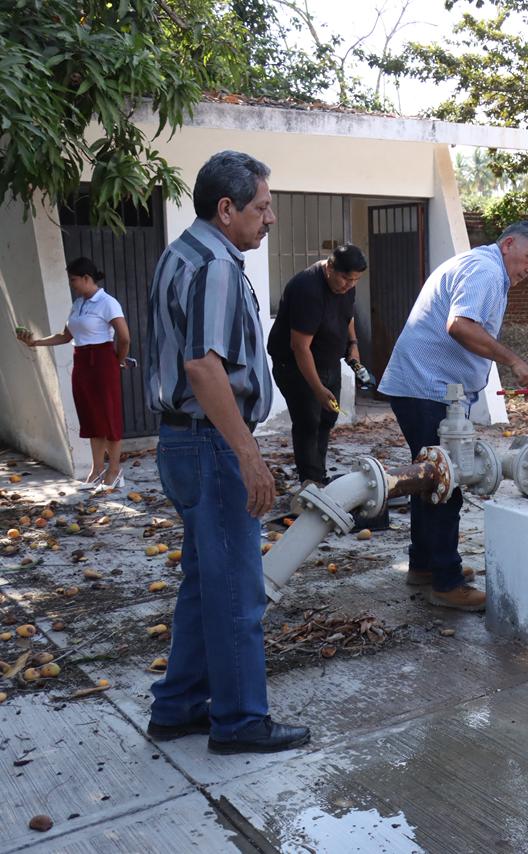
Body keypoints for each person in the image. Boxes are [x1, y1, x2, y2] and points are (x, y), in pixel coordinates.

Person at [143, 150, 309, 754]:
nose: (269, 219)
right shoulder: (215, 263)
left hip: (184, 444)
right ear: (226, 208)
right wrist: (248, 454)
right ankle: (239, 721)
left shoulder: (182, 252)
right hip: (211, 445)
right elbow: (203, 366)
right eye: (262, 208)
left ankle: (178, 706)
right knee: (238, 589)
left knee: (204, 583)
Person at [378, 220, 528, 612]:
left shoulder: (484, 267)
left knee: (428, 479)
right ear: (508, 244)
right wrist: (513, 360)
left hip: (426, 388)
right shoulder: (487, 271)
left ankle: (424, 565)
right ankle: (447, 582)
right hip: (428, 387)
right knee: (445, 480)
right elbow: (460, 325)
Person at [16, 257, 132, 488]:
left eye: (74, 280)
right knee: (90, 416)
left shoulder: (108, 302)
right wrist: (35, 342)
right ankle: (97, 467)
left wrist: (116, 362)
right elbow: (65, 336)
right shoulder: (77, 304)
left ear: (87, 278)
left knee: (109, 416)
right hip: (81, 362)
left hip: (102, 360)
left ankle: (115, 470)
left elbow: (125, 337)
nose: (72, 284)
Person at [267, 243, 369, 486]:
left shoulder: (347, 287)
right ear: (330, 268)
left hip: (329, 361)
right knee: (308, 422)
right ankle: (309, 484)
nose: (349, 285)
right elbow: (299, 347)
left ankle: (318, 475)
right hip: (295, 365)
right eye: (345, 278)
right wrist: (316, 387)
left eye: (355, 280)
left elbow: (348, 315)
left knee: (326, 418)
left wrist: (353, 345)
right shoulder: (308, 289)